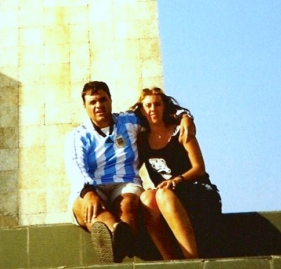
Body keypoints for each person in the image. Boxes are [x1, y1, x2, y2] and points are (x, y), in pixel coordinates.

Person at [65, 81, 195, 264]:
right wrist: (88, 193)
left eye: (103, 100)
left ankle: (117, 239)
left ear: (110, 100)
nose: (99, 106)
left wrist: (185, 116)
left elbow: (156, 111)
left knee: (128, 205)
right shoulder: (77, 136)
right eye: (92, 102)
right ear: (84, 106)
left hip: (125, 182)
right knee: (91, 210)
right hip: (92, 186)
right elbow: (75, 165)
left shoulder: (129, 121)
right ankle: (119, 236)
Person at [130, 87, 221, 260]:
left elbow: (199, 168)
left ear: (164, 106)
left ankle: (191, 259)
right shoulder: (142, 140)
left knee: (163, 194)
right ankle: (170, 260)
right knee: (147, 197)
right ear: (142, 110)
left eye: (157, 104)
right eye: (148, 106)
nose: (153, 109)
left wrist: (176, 181)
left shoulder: (180, 130)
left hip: (198, 191)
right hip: (168, 198)